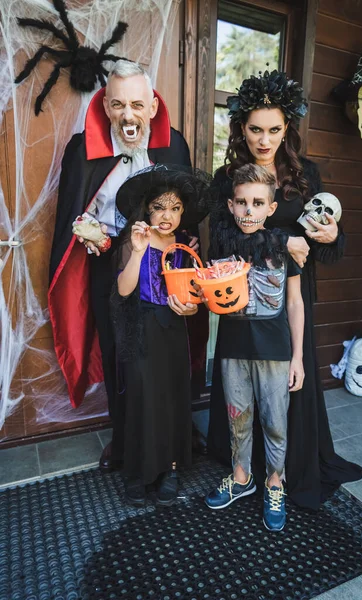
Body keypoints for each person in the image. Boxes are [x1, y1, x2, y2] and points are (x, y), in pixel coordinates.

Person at [207, 68, 362, 511]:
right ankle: (242, 468)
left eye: (274, 129)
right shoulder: (229, 178)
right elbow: (222, 239)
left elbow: (326, 238)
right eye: (255, 129)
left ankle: (281, 472)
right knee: (239, 386)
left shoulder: (305, 173)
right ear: (242, 128)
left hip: (291, 295)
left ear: (287, 128)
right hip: (240, 300)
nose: (264, 139)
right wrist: (281, 240)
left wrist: (333, 237)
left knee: (286, 387)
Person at [48, 60, 196, 472]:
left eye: (136, 104)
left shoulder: (174, 145)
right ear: (104, 105)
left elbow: (186, 212)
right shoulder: (82, 150)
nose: (127, 116)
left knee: (163, 352)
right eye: (117, 105)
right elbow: (74, 213)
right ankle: (125, 437)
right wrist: (90, 232)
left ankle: (169, 437)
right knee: (118, 351)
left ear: (152, 106)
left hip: (160, 265)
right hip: (108, 264)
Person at [204, 164, 304, 531]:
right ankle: (241, 476)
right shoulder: (223, 244)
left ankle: (275, 482)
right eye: (242, 202)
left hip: (275, 352)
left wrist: (298, 358)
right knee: (238, 419)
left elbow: (295, 303)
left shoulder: (284, 247)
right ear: (230, 205)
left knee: (275, 422)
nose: (249, 211)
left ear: (270, 208)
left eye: (257, 203)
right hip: (233, 349)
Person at [110, 164, 210, 505]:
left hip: (174, 329)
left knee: (171, 397)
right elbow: (124, 290)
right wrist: (138, 252)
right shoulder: (134, 238)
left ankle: (169, 468)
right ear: (147, 208)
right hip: (142, 329)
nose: (167, 216)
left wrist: (193, 307)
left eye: (175, 208)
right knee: (143, 398)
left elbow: (195, 293)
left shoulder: (185, 243)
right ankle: (138, 473)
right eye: (159, 207)